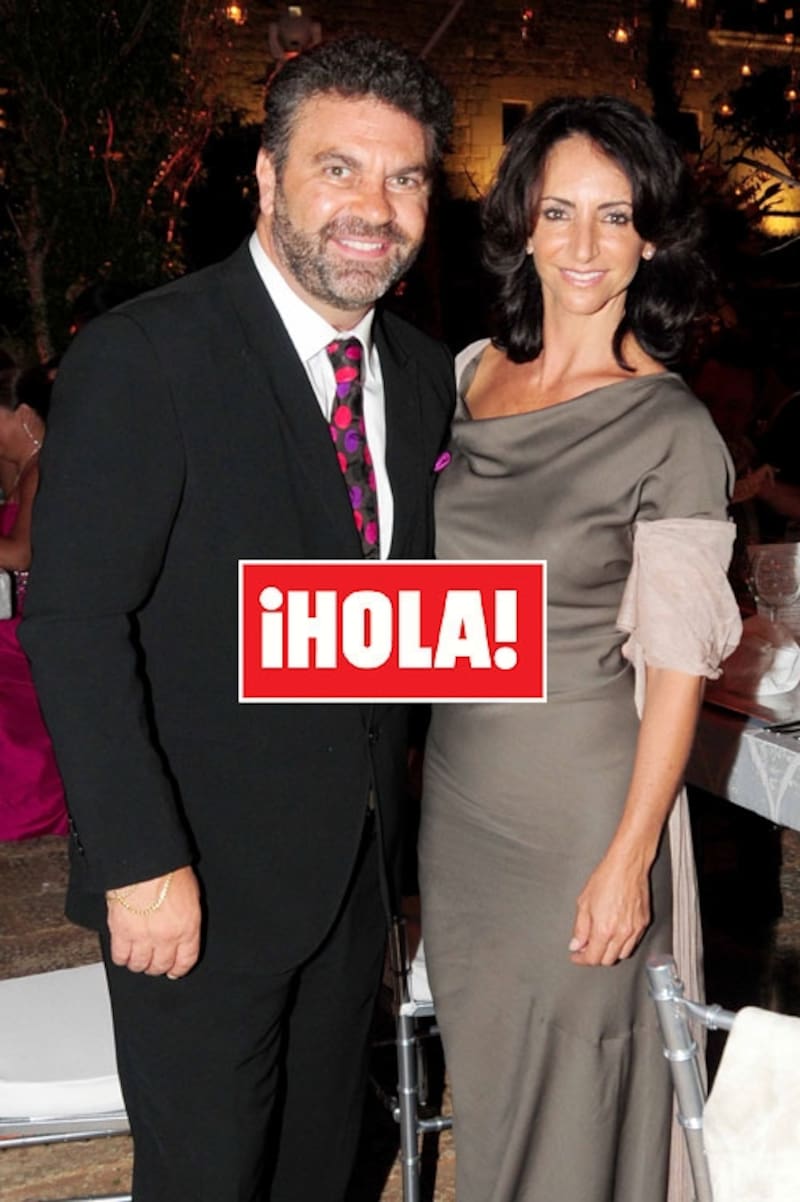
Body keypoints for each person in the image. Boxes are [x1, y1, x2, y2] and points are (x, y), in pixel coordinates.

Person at [20, 35, 453, 1202]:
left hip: (353, 879)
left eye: (404, 178)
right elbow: (72, 619)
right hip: (193, 881)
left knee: (323, 1166)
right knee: (206, 1177)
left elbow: (397, 615)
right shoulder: (146, 355)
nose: (374, 208)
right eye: (337, 168)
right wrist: (139, 858)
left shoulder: (421, 375)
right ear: (265, 177)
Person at [418, 95, 742, 1202]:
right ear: (522, 223)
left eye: (615, 216)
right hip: (459, 800)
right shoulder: (463, 377)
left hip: (583, 810)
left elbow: (677, 666)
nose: (583, 244)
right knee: (493, 1087)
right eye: (559, 211)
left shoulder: (670, 427)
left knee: (574, 1095)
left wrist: (626, 858)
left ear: (651, 237)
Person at [0, 365, 67, 839]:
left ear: (24, 415)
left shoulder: (44, 470)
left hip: (33, 626)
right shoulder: (20, 469)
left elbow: (23, 553)